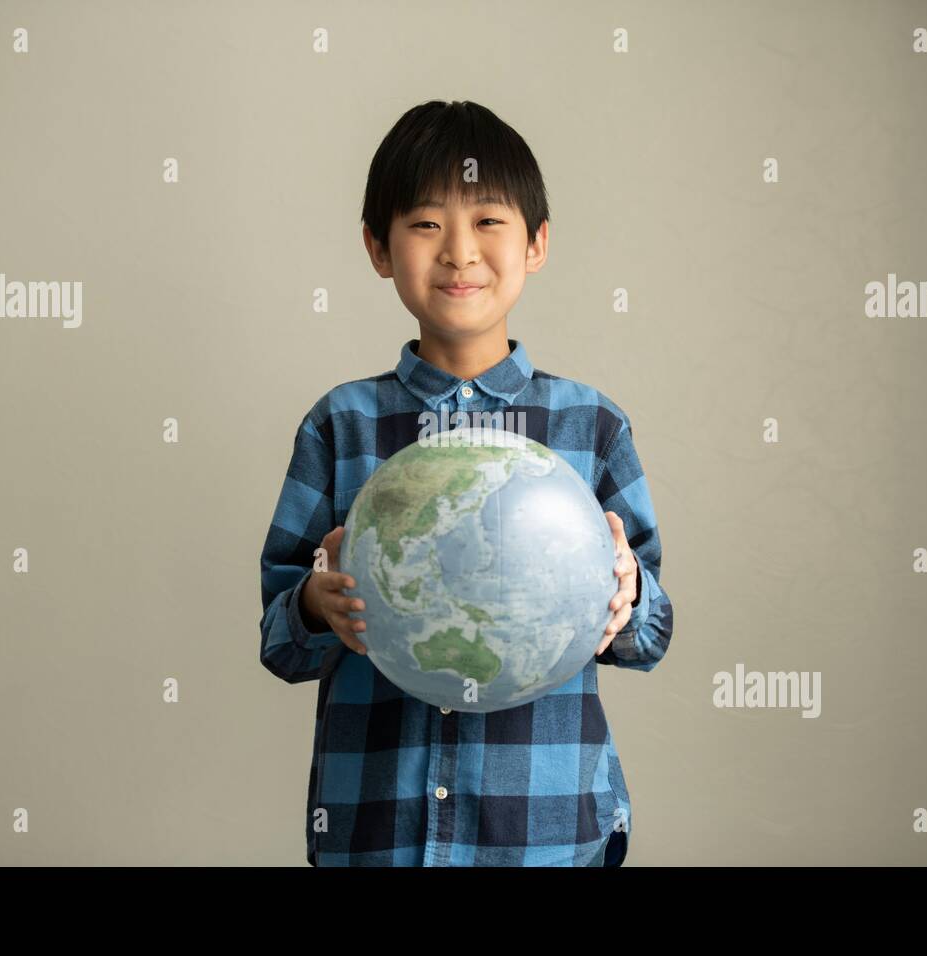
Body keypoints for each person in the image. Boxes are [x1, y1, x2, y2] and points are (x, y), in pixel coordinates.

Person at [259, 100, 674, 866]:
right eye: (423, 224)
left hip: (546, 833)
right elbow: (280, 641)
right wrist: (315, 604)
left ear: (537, 243)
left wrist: (628, 593)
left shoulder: (591, 425)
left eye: (488, 221)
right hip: (376, 832)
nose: (458, 252)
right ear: (378, 249)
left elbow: (652, 635)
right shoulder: (340, 424)